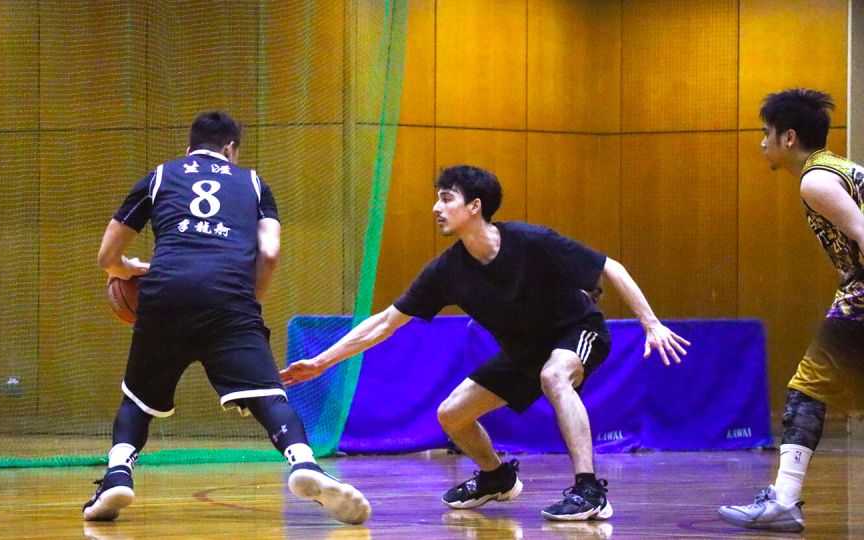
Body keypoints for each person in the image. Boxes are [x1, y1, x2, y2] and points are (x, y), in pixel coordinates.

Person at [280, 164, 689, 521]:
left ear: (474, 206)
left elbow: (609, 268)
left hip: (577, 331)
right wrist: (322, 361)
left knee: (555, 376)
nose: (436, 209)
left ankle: (590, 491)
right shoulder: (446, 270)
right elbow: (385, 323)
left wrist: (650, 324)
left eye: (446, 199)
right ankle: (496, 476)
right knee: (451, 414)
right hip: (522, 353)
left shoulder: (532, 241)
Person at [83, 111, 370, 525]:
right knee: (269, 396)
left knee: (138, 399)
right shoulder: (255, 184)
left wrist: (129, 269)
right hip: (230, 298)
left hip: (166, 292)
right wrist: (245, 303)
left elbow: (107, 257)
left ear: (189, 148)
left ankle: (117, 475)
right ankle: (304, 463)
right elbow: (269, 253)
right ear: (231, 149)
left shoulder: (161, 176)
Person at [719, 89, 864, 533]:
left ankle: (783, 501)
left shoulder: (815, 180)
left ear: (789, 138)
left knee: (807, 389)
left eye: (767, 134)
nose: (762, 143)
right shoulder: (841, 168)